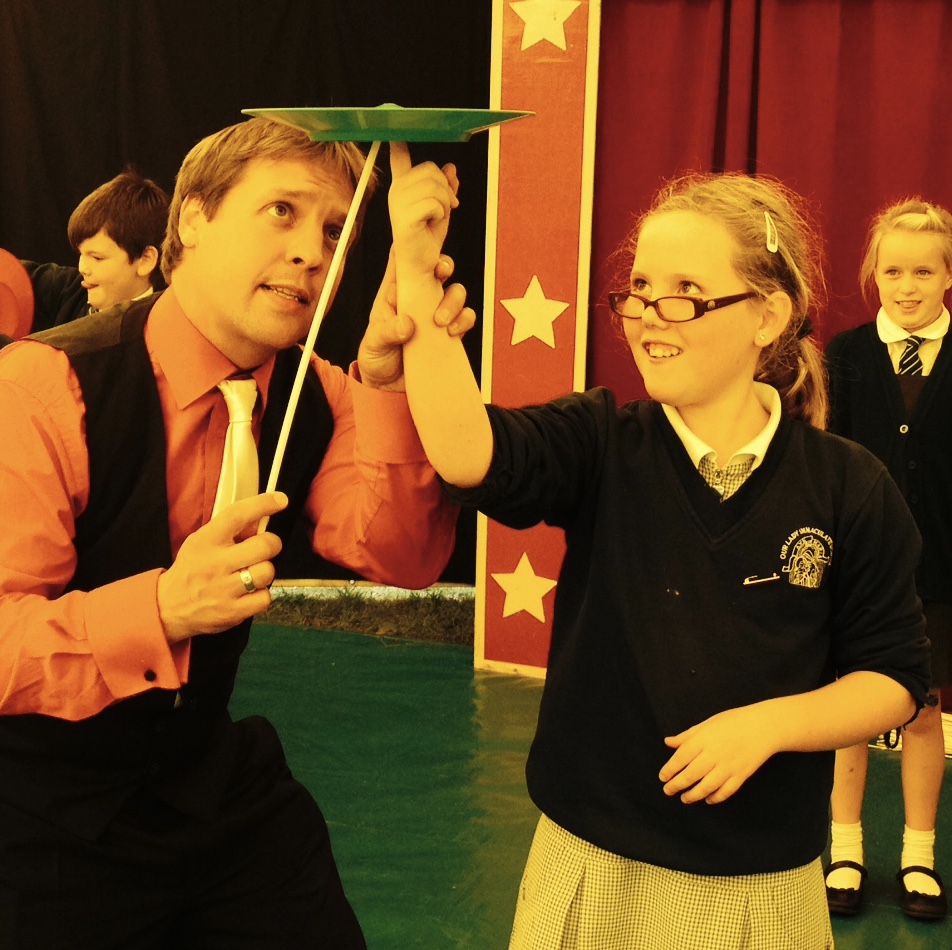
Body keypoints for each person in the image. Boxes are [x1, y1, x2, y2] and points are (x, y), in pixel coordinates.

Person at [391, 148, 931, 949]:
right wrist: (411, 260)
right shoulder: (601, 439)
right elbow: (468, 451)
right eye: (640, 290)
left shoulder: (849, 485)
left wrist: (769, 726)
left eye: (686, 294)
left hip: (759, 881)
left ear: (768, 316)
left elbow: (891, 679)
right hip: (589, 858)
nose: (649, 314)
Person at [0, 118, 472, 948]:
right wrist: (162, 609)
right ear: (191, 220)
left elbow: (401, 558)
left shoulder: (319, 391)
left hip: (210, 782)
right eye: (281, 212)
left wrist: (393, 381)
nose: (311, 252)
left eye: (332, 231)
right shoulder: (44, 385)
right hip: (42, 803)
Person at [824, 197, 952, 922]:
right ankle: (845, 848)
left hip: (939, 575)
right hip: (857, 571)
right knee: (846, 713)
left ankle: (919, 856)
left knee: (924, 710)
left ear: (947, 277)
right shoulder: (843, 357)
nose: (908, 287)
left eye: (925, 271)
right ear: (874, 273)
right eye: (894, 270)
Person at [21, 167, 170, 332]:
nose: (83, 268)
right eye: (81, 254)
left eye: (97, 258)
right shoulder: (73, 291)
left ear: (145, 259)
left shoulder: (164, 328)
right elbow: (11, 274)